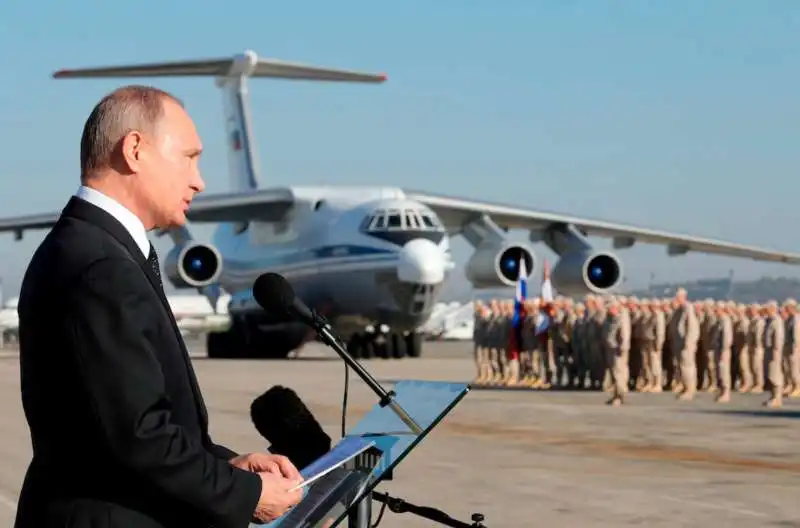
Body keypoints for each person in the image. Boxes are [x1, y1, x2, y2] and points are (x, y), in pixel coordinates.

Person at [14, 85, 304, 527]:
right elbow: (138, 438)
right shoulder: (99, 265)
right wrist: (246, 495)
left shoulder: (96, 249)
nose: (199, 180)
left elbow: (129, 425)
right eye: (189, 156)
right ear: (134, 150)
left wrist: (223, 467)